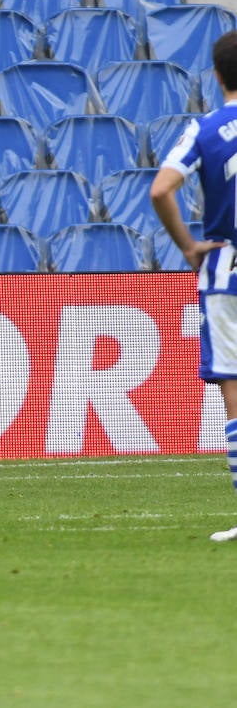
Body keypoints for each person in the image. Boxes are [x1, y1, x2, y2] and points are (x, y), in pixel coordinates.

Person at [150, 30, 237, 542]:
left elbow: (162, 188)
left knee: (234, 391)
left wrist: (186, 245)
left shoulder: (205, 128)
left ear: (217, 74)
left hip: (226, 271)